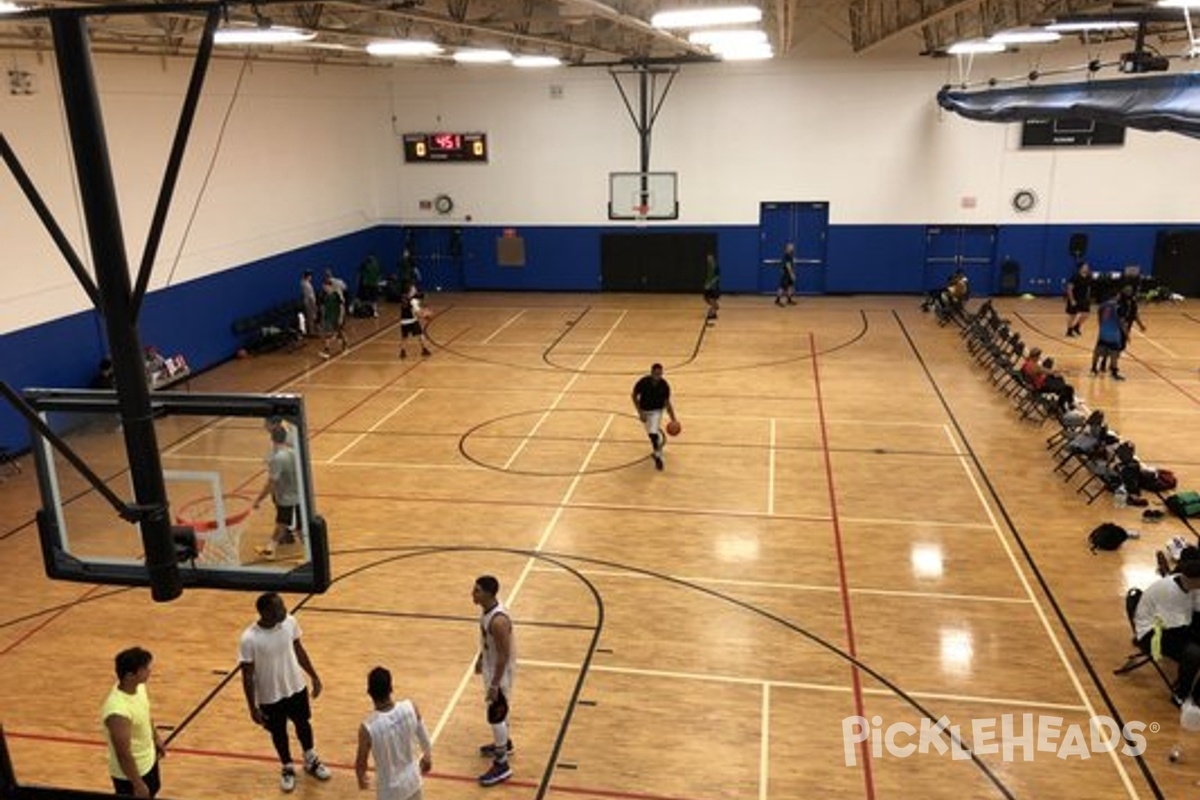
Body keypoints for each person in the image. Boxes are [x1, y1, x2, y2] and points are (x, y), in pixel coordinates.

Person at [239, 592, 331, 792]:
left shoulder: (290, 622)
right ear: (265, 612)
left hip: (296, 686)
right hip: (270, 696)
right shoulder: (249, 639)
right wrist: (252, 708)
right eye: (279, 607)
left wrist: (314, 676)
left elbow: (299, 649)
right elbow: (247, 675)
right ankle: (287, 766)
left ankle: (310, 758)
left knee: (303, 724)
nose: (284, 609)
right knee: (278, 732)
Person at [355, 666, 432, 800]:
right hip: (413, 783)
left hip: (389, 793)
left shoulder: (367, 728)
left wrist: (361, 777)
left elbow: (361, 763)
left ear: (370, 692)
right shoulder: (410, 707)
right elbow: (426, 740)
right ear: (391, 688)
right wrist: (427, 758)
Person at [1133, 559, 1200, 707]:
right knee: (1194, 653)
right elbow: (1178, 631)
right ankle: (1181, 693)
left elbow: (1197, 608)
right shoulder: (1169, 593)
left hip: (1175, 626)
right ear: (1193, 580)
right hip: (1153, 633)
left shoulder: (1191, 587)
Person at [101, 647, 165, 798]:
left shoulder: (139, 687)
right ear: (130, 675)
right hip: (132, 775)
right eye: (145, 668)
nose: (149, 670)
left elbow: (146, 714)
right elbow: (123, 753)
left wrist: (155, 737)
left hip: (148, 761)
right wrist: (137, 784)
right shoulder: (118, 711)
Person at [473, 575, 515, 787]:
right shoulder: (487, 611)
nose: (473, 594)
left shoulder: (498, 621)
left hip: (499, 674)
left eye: (477, 590)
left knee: (495, 716)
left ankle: (502, 765)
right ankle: (504, 743)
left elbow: (504, 655)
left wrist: (494, 685)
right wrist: (481, 657)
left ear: (489, 594)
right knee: (500, 713)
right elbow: (488, 642)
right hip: (492, 668)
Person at [253, 425, 300, 558]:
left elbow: (271, 483)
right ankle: (270, 549)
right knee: (285, 524)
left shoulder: (278, 459)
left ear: (271, 438)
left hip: (286, 497)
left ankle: (310, 556)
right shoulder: (293, 453)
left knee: (285, 524)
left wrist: (258, 500)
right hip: (298, 494)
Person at [631, 362, 678, 471]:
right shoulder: (643, 382)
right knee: (651, 434)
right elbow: (633, 396)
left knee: (652, 434)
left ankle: (658, 457)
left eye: (660, 374)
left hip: (656, 411)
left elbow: (667, 403)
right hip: (644, 411)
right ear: (651, 373)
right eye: (656, 373)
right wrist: (640, 412)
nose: (658, 376)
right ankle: (658, 442)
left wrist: (673, 419)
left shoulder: (664, 385)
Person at [1092, 291, 1126, 380]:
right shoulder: (1118, 307)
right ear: (1116, 296)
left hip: (1103, 332)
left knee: (1097, 351)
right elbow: (1122, 322)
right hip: (1114, 334)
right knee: (1114, 353)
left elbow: (1099, 318)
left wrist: (1102, 327)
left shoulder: (1102, 306)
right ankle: (1114, 373)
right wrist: (1126, 333)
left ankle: (1093, 369)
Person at [398, 283, 432, 360]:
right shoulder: (413, 301)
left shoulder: (404, 298)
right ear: (410, 291)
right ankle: (424, 350)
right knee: (420, 335)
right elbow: (417, 312)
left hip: (403, 321)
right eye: (414, 289)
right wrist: (426, 315)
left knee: (404, 337)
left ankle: (402, 352)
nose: (415, 289)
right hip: (412, 321)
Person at [319, 274, 348, 359]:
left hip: (336, 317)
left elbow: (342, 307)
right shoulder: (324, 296)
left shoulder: (336, 295)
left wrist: (341, 317)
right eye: (323, 287)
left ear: (329, 286)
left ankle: (344, 344)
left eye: (325, 287)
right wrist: (322, 317)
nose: (324, 289)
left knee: (339, 333)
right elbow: (323, 307)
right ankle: (327, 351)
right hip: (328, 318)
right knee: (328, 335)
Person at [1064, 262, 1092, 337]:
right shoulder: (1075, 277)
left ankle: (1076, 327)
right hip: (1075, 298)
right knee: (1072, 315)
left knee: (1086, 314)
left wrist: (1088, 298)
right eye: (1085, 266)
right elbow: (1069, 289)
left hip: (1084, 299)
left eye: (1087, 266)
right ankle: (1069, 331)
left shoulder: (1088, 277)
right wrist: (1072, 300)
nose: (1087, 268)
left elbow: (1088, 288)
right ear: (1080, 268)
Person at [702, 251, 720, 322]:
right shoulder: (709, 267)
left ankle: (713, 314)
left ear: (713, 259)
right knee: (706, 298)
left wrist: (710, 284)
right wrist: (706, 284)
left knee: (712, 299)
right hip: (708, 286)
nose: (708, 259)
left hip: (713, 287)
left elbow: (717, 277)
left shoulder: (716, 267)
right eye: (708, 258)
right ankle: (715, 307)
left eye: (710, 258)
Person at [300, 271, 318, 337]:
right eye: (310, 276)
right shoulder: (306, 285)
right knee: (311, 317)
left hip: (307, 302)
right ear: (308, 276)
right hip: (309, 303)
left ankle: (312, 331)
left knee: (310, 317)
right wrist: (314, 304)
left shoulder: (304, 283)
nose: (311, 277)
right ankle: (312, 332)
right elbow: (310, 296)